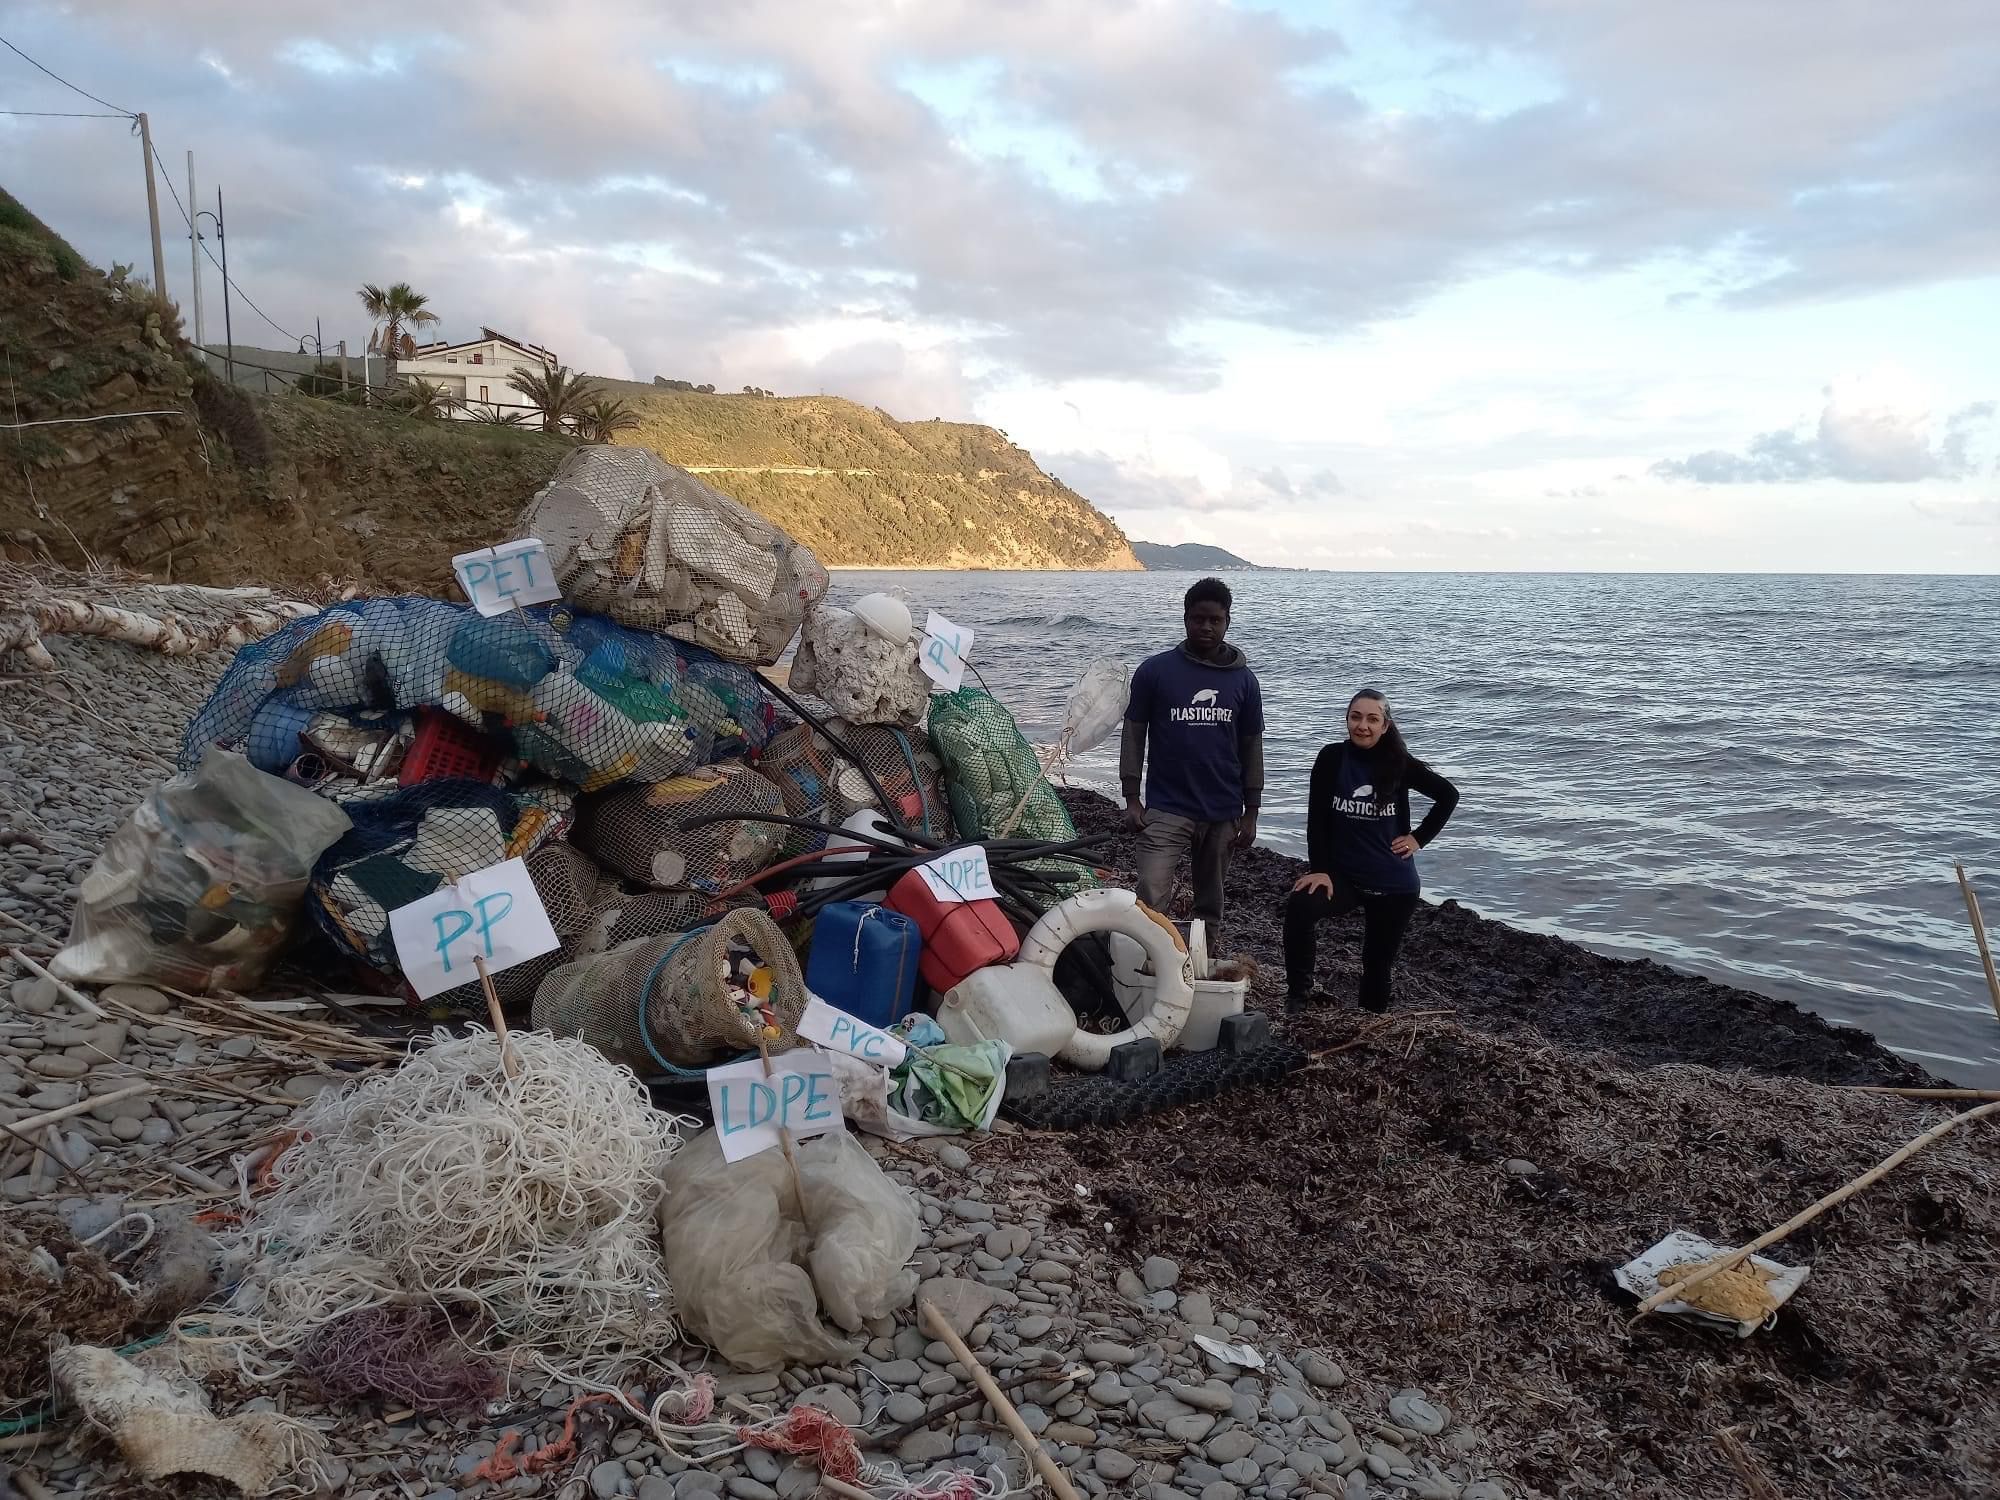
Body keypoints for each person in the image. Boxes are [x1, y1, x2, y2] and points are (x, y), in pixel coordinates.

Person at [1285, 687, 1459, 1013]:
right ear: (1347, 720)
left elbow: (1448, 795)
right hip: (1345, 877)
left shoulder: (1399, 765)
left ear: (1385, 726)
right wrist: (1319, 869)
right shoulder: (1331, 758)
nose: (1362, 726)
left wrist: (1419, 838)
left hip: (1394, 884)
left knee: (1376, 964)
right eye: (1355, 717)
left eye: (1372, 719)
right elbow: (1316, 820)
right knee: (1300, 908)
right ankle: (1298, 997)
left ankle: (1368, 1023)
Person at [1121, 577, 1265, 937]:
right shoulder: (1154, 672)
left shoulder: (1244, 682)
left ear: (1227, 621)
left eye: (1215, 620)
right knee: (1151, 893)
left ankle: (1204, 961)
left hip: (1223, 809)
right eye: (1198, 618)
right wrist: (1131, 797)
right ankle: (1148, 964)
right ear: (1186, 618)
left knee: (1209, 903)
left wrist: (1252, 811)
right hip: (1168, 805)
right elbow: (1134, 732)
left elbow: (1252, 745)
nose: (1206, 627)